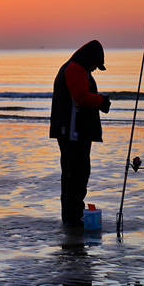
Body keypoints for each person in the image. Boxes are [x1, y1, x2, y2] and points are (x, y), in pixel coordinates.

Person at [49, 40, 111, 227]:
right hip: (73, 133)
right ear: (89, 59)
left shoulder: (76, 68)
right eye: (95, 65)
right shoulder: (75, 69)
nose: (94, 69)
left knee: (74, 175)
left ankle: (72, 216)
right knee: (76, 174)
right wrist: (101, 101)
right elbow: (81, 97)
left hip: (73, 132)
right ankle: (73, 218)